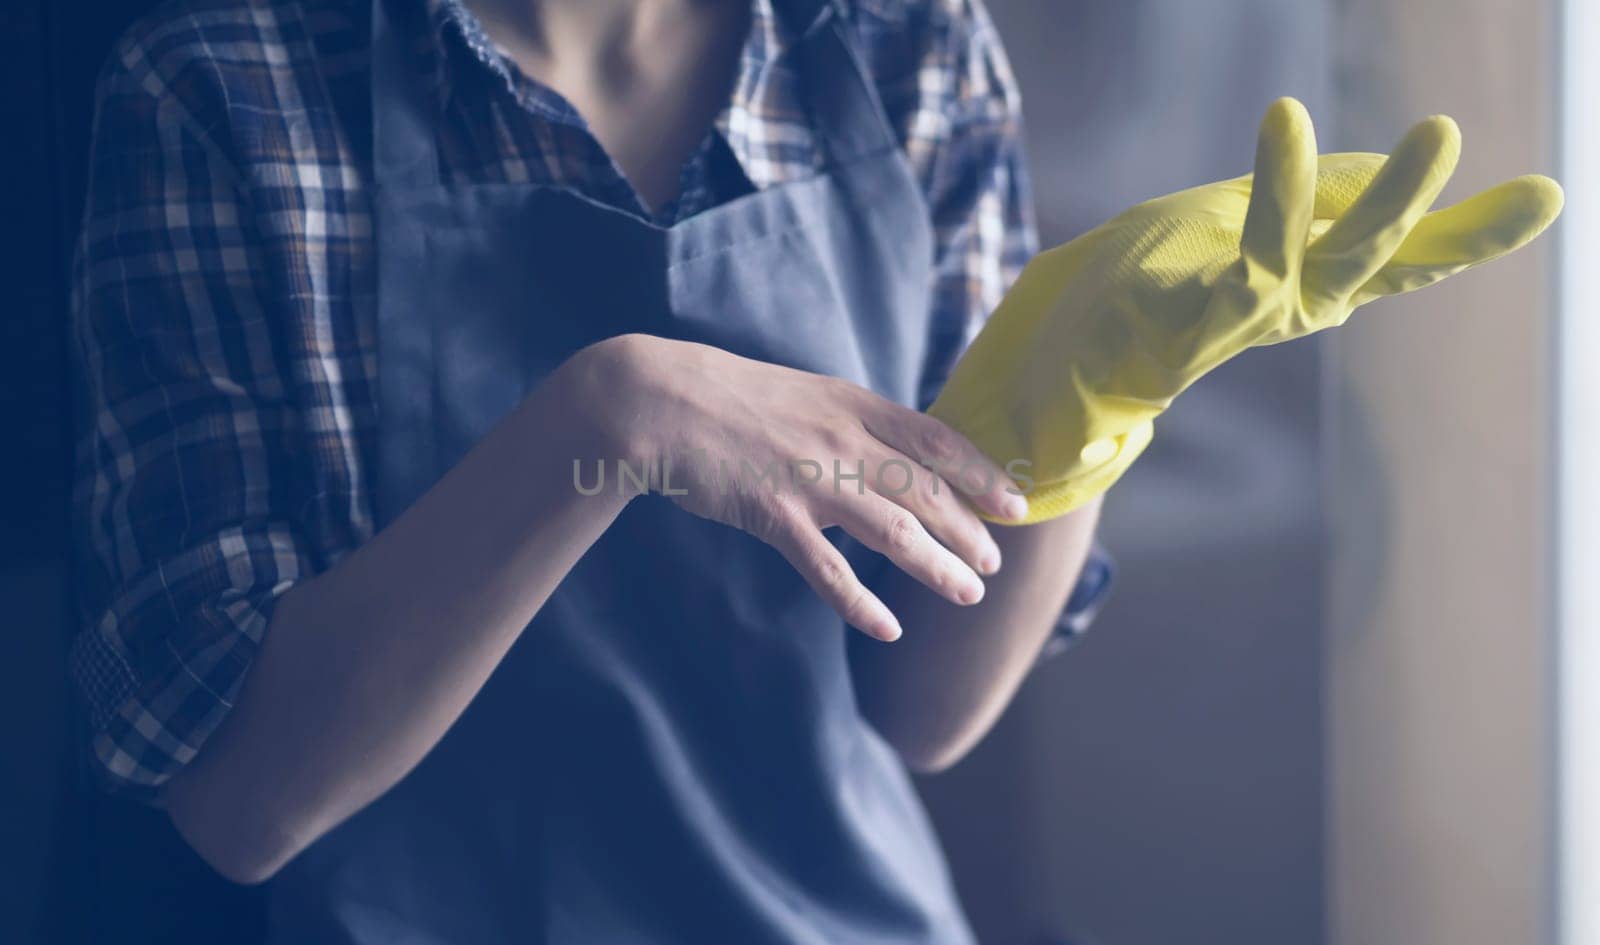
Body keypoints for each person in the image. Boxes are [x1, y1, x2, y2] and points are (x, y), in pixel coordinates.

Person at [69, 0, 1112, 941]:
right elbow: (239, 803)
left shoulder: (905, 40)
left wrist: (1105, 389)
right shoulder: (223, 89)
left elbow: (924, 714)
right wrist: (606, 424)